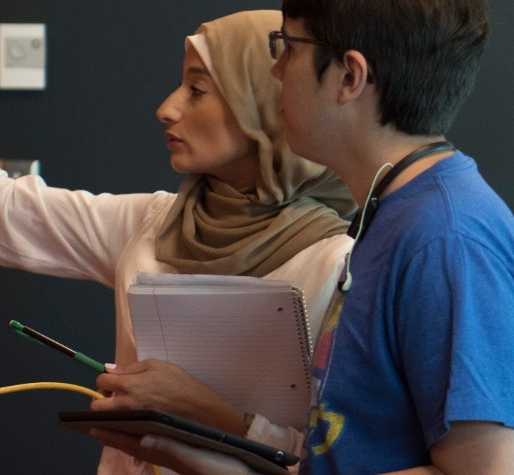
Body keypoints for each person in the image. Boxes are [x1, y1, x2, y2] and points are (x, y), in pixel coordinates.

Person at [0, 9, 355, 474]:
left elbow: (335, 456)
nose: (168, 108)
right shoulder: (155, 225)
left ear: (266, 109)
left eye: (197, 90)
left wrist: (207, 414)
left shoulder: (337, 267)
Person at [103, 0, 514, 473]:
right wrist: (187, 453)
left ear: (349, 77)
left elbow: (485, 470)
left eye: (287, 48)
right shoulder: (393, 217)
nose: (276, 71)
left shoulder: (447, 237)